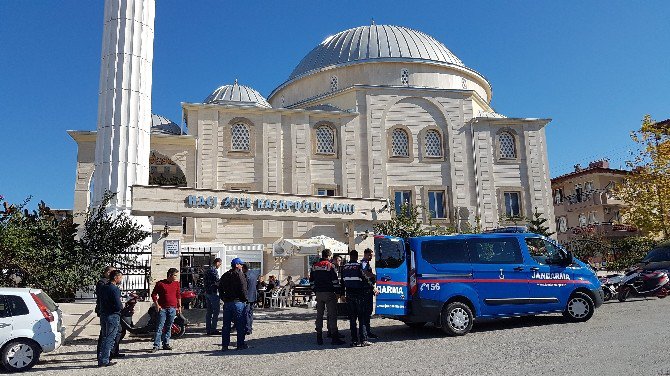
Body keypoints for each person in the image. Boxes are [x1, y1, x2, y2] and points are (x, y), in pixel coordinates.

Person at [310, 249, 346, 346]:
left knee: (319, 315)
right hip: (329, 293)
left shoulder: (314, 266)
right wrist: (338, 291)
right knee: (332, 315)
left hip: (319, 293)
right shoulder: (331, 266)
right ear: (329, 256)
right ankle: (334, 337)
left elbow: (311, 281)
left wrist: (315, 290)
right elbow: (335, 281)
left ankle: (319, 336)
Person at [342, 249, 372, 347]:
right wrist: (373, 287)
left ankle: (354, 340)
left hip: (349, 295)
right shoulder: (359, 266)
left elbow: (342, 282)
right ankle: (363, 340)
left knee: (352, 319)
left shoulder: (345, 267)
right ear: (356, 256)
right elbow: (365, 279)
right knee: (362, 318)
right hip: (359, 295)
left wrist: (342, 294)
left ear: (350, 256)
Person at [219, 258, 249, 351]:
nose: (242, 266)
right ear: (237, 265)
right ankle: (240, 344)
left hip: (227, 303)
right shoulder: (240, 274)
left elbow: (219, 288)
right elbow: (243, 288)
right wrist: (245, 299)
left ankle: (225, 345)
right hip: (238, 302)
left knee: (226, 325)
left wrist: (223, 298)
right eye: (241, 264)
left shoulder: (225, 275)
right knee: (240, 324)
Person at [150, 268, 181, 352]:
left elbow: (178, 295)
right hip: (162, 308)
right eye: (175, 275)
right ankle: (156, 345)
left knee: (168, 326)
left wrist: (179, 306)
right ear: (170, 275)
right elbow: (153, 294)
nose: (176, 277)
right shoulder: (160, 284)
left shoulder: (176, 284)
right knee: (159, 327)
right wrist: (157, 305)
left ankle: (166, 343)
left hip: (172, 308)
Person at [96, 266, 123, 360]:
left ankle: (101, 358)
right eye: (120, 277)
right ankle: (104, 359)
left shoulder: (103, 287)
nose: (121, 279)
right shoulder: (114, 289)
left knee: (104, 337)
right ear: (116, 278)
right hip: (112, 315)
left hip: (103, 314)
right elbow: (118, 305)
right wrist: (121, 307)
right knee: (109, 338)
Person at [361, 248, 379, 339]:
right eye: (370, 255)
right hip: (366, 291)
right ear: (366, 254)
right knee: (366, 312)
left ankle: (367, 332)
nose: (371, 257)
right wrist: (373, 275)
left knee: (367, 312)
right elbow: (364, 272)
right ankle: (366, 333)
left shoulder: (366, 263)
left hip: (367, 290)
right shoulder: (364, 263)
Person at [204, 258, 222, 335]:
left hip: (207, 292)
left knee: (209, 312)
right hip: (212, 292)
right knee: (216, 311)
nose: (220, 266)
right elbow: (217, 281)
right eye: (220, 264)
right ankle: (213, 329)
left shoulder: (207, 269)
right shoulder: (213, 270)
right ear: (217, 263)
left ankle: (208, 329)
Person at [242, 264, 260, 335]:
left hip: (247, 297)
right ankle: (249, 327)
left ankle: (248, 329)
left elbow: (244, 287)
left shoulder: (246, 275)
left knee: (246, 313)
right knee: (250, 313)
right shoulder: (254, 274)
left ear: (244, 268)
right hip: (253, 296)